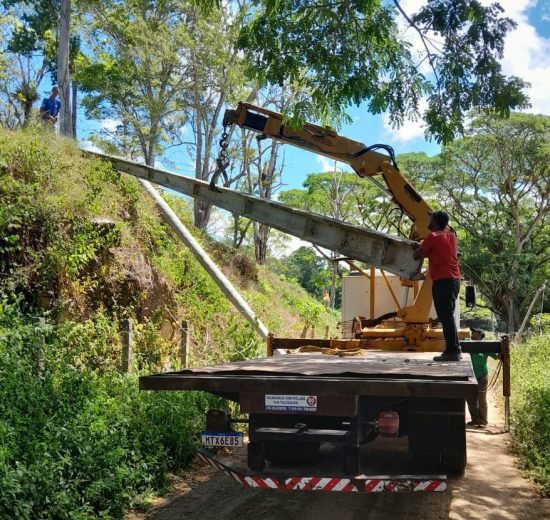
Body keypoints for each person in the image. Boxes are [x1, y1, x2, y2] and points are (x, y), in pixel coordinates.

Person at [413, 210, 462, 361]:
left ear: (436, 222)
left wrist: (416, 246)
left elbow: (417, 255)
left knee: (445, 317)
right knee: (448, 317)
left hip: (443, 281)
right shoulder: (452, 236)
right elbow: (437, 253)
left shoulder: (432, 237)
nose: (428, 221)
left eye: (431, 219)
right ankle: (454, 349)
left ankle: (453, 351)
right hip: (454, 280)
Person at [466, 328, 498, 427]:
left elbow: (497, 356)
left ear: (480, 335)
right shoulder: (467, 342)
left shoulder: (486, 347)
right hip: (470, 376)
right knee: (471, 399)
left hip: (481, 377)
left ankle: (483, 420)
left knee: (481, 400)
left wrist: (504, 349)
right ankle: (475, 419)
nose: (472, 333)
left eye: (474, 332)